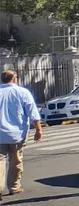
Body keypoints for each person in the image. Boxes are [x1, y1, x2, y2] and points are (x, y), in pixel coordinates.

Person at [0, 70, 43, 198]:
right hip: (17, 134)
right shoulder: (22, 92)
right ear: (14, 78)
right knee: (16, 160)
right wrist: (38, 129)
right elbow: (33, 113)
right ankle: (14, 186)